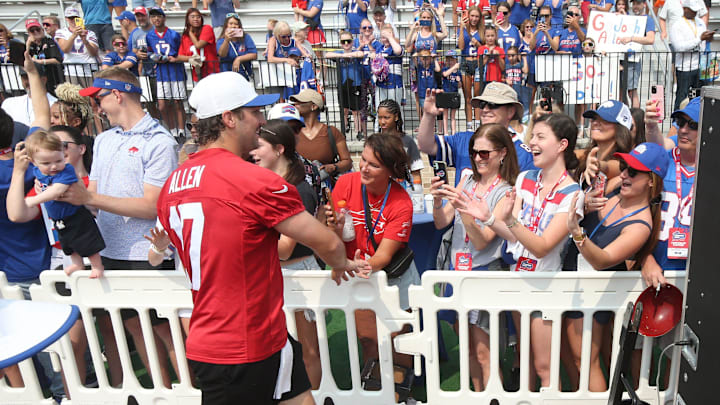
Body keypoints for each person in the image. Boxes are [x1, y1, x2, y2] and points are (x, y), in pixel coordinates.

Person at [157, 71, 370, 404]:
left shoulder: (174, 183)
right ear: (228, 118)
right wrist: (340, 262)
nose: (261, 120)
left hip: (239, 334)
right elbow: (327, 242)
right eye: (253, 112)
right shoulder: (251, 180)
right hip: (243, 342)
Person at [62, 67, 179, 388]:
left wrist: (88, 197)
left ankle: (189, 394)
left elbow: (151, 205)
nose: (96, 107)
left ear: (117, 95)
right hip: (109, 250)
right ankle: (162, 394)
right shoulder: (104, 139)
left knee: (166, 332)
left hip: (147, 252)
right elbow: (95, 197)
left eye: (99, 98)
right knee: (136, 329)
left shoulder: (160, 141)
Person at [453, 112, 582, 390]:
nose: (531, 142)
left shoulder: (573, 193)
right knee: (526, 363)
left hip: (545, 286)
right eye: (532, 135)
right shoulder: (524, 178)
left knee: (544, 367)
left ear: (561, 145)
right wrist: (488, 218)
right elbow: (515, 234)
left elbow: (542, 246)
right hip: (518, 279)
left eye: (539, 137)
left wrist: (506, 219)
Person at [562, 142, 668, 392]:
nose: (624, 174)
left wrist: (577, 233)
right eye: (624, 167)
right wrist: (591, 167)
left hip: (593, 295)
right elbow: (600, 167)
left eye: (633, 172)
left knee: (585, 360)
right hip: (572, 283)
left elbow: (602, 260)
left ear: (651, 181)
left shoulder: (640, 225)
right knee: (569, 355)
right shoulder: (613, 189)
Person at [325, 133, 420, 402]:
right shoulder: (345, 182)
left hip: (393, 278)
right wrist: (331, 225)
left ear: (391, 171)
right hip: (358, 275)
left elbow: (384, 256)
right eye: (363, 160)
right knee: (369, 340)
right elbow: (331, 232)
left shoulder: (401, 202)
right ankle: (375, 394)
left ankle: (401, 395)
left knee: (398, 341)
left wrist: (356, 263)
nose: (364, 168)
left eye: (374, 165)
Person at [431, 123, 519, 392]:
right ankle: (479, 396)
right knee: (467, 350)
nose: (478, 158)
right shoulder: (467, 179)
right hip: (458, 272)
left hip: (483, 274)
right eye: (474, 152)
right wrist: (437, 201)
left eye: (484, 153)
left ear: (502, 153)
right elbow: (441, 221)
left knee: (484, 353)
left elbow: (482, 241)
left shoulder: (506, 192)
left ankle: (493, 397)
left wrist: (465, 211)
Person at [249, 119, 324, 389]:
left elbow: (284, 249)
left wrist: (247, 237)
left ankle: (312, 396)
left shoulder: (299, 190)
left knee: (307, 349)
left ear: (279, 149)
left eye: (259, 146)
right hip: (276, 274)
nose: (252, 152)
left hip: (298, 275)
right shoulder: (266, 186)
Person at [7, 130, 106, 278]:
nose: (53, 166)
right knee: (68, 245)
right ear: (35, 162)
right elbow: (16, 215)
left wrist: (34, 199)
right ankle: (77, 264)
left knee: (87, 243)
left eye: (64, 146)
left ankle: (97, 266)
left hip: (80, 222)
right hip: (60, 229)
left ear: (81, 148)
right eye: (46, 163)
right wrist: (19, 171)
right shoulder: (41, 176)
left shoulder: (68, 172)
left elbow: (57, 190)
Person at [418, 83, 535, 187]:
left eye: (493, 105)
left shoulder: (525, 155)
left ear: (510, 111)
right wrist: (428, 115)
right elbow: (426, 146)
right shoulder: (463, 140)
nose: (485, 109)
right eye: (482, 104)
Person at [641, 96, 699, 287]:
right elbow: (636, 215)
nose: (683, 129)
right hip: (656, 274)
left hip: (700, 279)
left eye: (693, 125)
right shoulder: (662, 162)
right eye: (681, 122)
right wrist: (645, 258)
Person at [290, 89, 353, 184]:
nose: (295, 105)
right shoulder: (293, 132)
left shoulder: (332, 132)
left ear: (314, 106)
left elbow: (347, 162)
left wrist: (333, 167)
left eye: (300, 102)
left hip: (326, 190)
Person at [146, 6, 186, 139]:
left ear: (164, 17)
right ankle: (172, 129)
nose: (156, 19)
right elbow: (149, 51)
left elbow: (181, 52)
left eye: (158, 16)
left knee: (177, 102)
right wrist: (154, 57)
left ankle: (181, 131)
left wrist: (174, 59)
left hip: (175, 72)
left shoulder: (173, 34)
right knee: (162, 105)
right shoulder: (149, 35)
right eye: (153, 16)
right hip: (161, 74)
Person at [577, 100, 634, 193]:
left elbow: (608, 167)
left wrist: (597, 165)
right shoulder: (587, 154)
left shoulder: (622, 162)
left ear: (621, 128)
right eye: (595, 119)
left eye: (605, 120)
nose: (595, 123)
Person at [668, 0, 714, 110]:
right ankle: (677, 122)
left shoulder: (700, 22)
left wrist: (708, 38)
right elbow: (679, 47)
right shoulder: (677, 25)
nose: (695, 13)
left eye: (696, 11)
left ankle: (696, 121)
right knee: (682, 97)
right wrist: (699, 39)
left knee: (698, 97)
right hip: (684, 67)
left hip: (699, 66)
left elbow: (702, 43)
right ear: (685, 9)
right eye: (692, 10)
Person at [617, 0, 656, 108]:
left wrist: (632, 39)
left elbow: (650, 39)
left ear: (644, 4)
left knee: (631, 91)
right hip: (619, 58)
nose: (635, 6)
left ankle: (636, 118)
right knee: (619, 92)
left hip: (633, 59)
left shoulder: (648, 19)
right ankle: (623, 118)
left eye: (638, 4)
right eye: (633, 4)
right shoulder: (628, 16)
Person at [377, 99, 424, 183]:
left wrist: (416, 193)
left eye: (386, 117)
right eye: (380, 118)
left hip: (403, 190)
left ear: (396, 117)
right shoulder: (375, 142)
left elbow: (416, 173)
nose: (382, 122)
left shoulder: (408, 142)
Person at [325, 31, 363, 135]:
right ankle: (344, 128)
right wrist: (343, 56)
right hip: (343, 84)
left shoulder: (355, 51)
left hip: (356, 84)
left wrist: (349, 55)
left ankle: (358, 131)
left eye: (348, 41)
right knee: (344, 109)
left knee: (356, 110)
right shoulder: (339, 53)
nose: (346, 43)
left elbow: (360, 54)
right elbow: (327, 54)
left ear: (352, 42)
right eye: (343, 41)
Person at [55, 6, 100, 86]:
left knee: (92, 97)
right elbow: (65, 49)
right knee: (75, 96)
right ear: (66, 19)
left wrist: (85, 41)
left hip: (89, 70)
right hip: (72, 70)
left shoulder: (90, 33)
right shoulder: (62, 32)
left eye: (75, 18)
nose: (73, 20)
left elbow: (93, 53)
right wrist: (74, 35)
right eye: (71, 18)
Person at [354, 19, 382, 137]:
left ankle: (378, 132)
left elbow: (378, 57)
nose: (367, 30)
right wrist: (360, 46)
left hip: (373, 77)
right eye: (364, 27)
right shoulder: (356, 41)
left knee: (378, 104)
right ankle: (365, 135)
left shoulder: (377, 43)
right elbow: (353, 55)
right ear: (360, 29)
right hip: (361, 77)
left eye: (369, 27)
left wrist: (369, 45)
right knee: (362, 107)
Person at [457, 6, 484, 130]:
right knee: (467, 96)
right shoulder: (463, 29)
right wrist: (462, 28)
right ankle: (469, 126)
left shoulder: (482, 31)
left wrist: (478, 44)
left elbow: (485, 48)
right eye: (472, 16)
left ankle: (478, 123)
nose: (474, 19)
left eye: (476, 16)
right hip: (465, 63)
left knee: (477, 96)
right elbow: (461, 46)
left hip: (478, 63)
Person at [179, 8, 220, 83]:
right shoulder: (185, 37)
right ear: (187, 19)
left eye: (198, 17)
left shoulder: (207, 28)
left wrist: (190, 33)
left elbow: (199, 45)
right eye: (193, 17)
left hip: (212, 71)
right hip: (197, 74)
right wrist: (190, 58)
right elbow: (180, 56)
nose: (196, 19)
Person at [26, 18, 64, 96]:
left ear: (42, 30)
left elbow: (58, 60)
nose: (36, 32)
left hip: (53, 78)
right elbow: (24, 59)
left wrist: (40, 62)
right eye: (32, 31)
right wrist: (28, 44)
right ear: (29, 33)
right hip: (39, 81)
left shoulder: (49, 42)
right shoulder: (31, 46)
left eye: (37, 29)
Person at [373, 27, 404, 119]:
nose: (385, 39)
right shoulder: (379, 48)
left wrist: (390, 38)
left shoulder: (395, 47)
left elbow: (398, 51)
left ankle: (398, 129)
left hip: (393, 84)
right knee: (380, 108)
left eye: (388, 36)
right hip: (381, 84)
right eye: (383, 37)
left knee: (395, 109)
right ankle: (378, 130)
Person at [216, 14, 257, 79]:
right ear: (226, 25)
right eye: (231, 23)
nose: (233, 26)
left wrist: (239, 59)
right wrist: (226, 41)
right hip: (227, 74)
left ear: (239, 26)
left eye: (236, 24)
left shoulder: (246, 37)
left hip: (243, 74)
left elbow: (254, 54)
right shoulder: (221, 40)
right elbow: (222, 54)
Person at [441, 50, 461, 135]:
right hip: (445, 93)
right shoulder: (445, 69)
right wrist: (454, 68)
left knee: (453, 116)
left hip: (454, 94)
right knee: (445, 115)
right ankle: (446, 132)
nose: (450, 62)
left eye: (452, 60)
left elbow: (459, 85)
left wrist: (459, 81)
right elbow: (445, 74)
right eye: (448, 60)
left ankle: (453, 132)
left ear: (456, 61)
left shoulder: (458, 72)